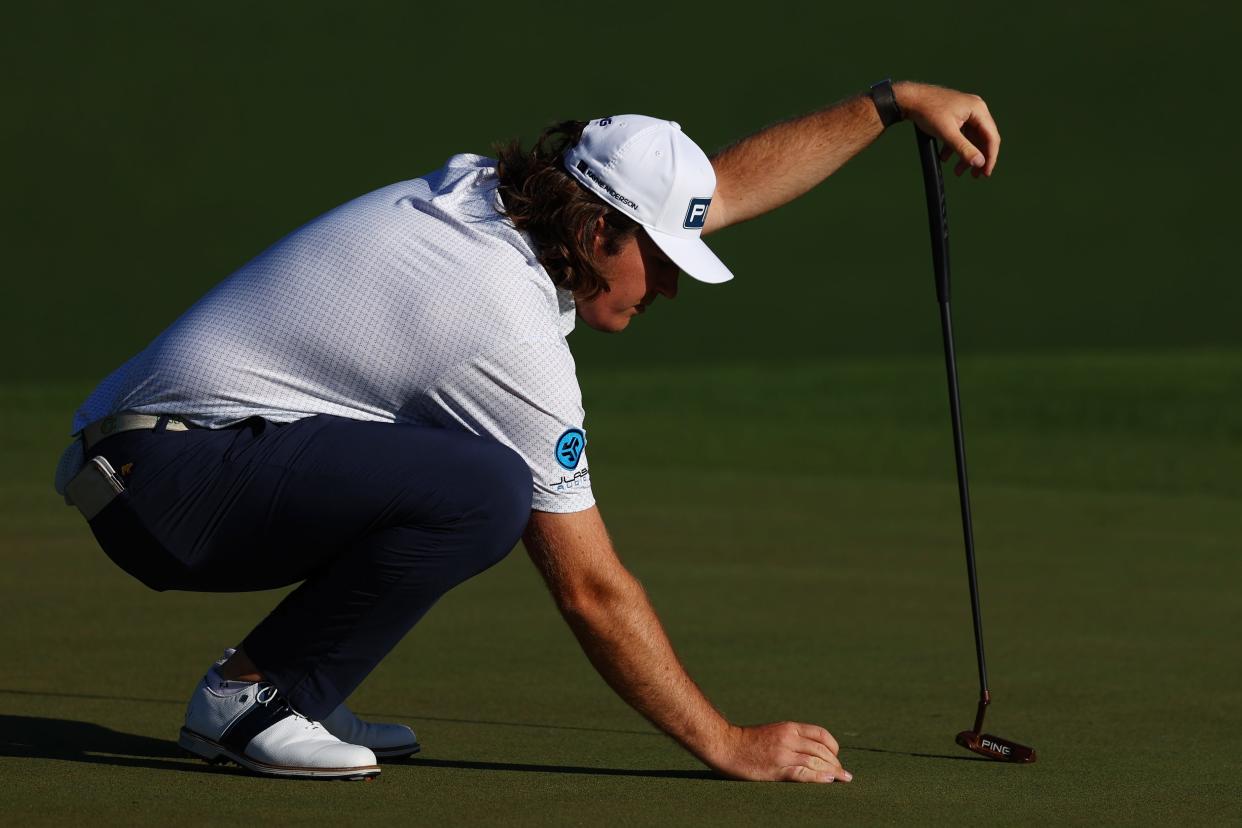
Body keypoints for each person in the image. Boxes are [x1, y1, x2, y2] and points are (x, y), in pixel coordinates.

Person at [55, 80, 1001, 783]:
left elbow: (724, 189)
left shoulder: (507, 203)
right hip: (169, 484)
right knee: (485, 493)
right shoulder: (500, 322)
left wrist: (890, 103)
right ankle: (250, 700)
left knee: (463, 480)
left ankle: (293, 686)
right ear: (596, 236)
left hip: (157, 461)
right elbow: (591, 589)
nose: (671, 284)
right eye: (663, 261)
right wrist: (727, 742)